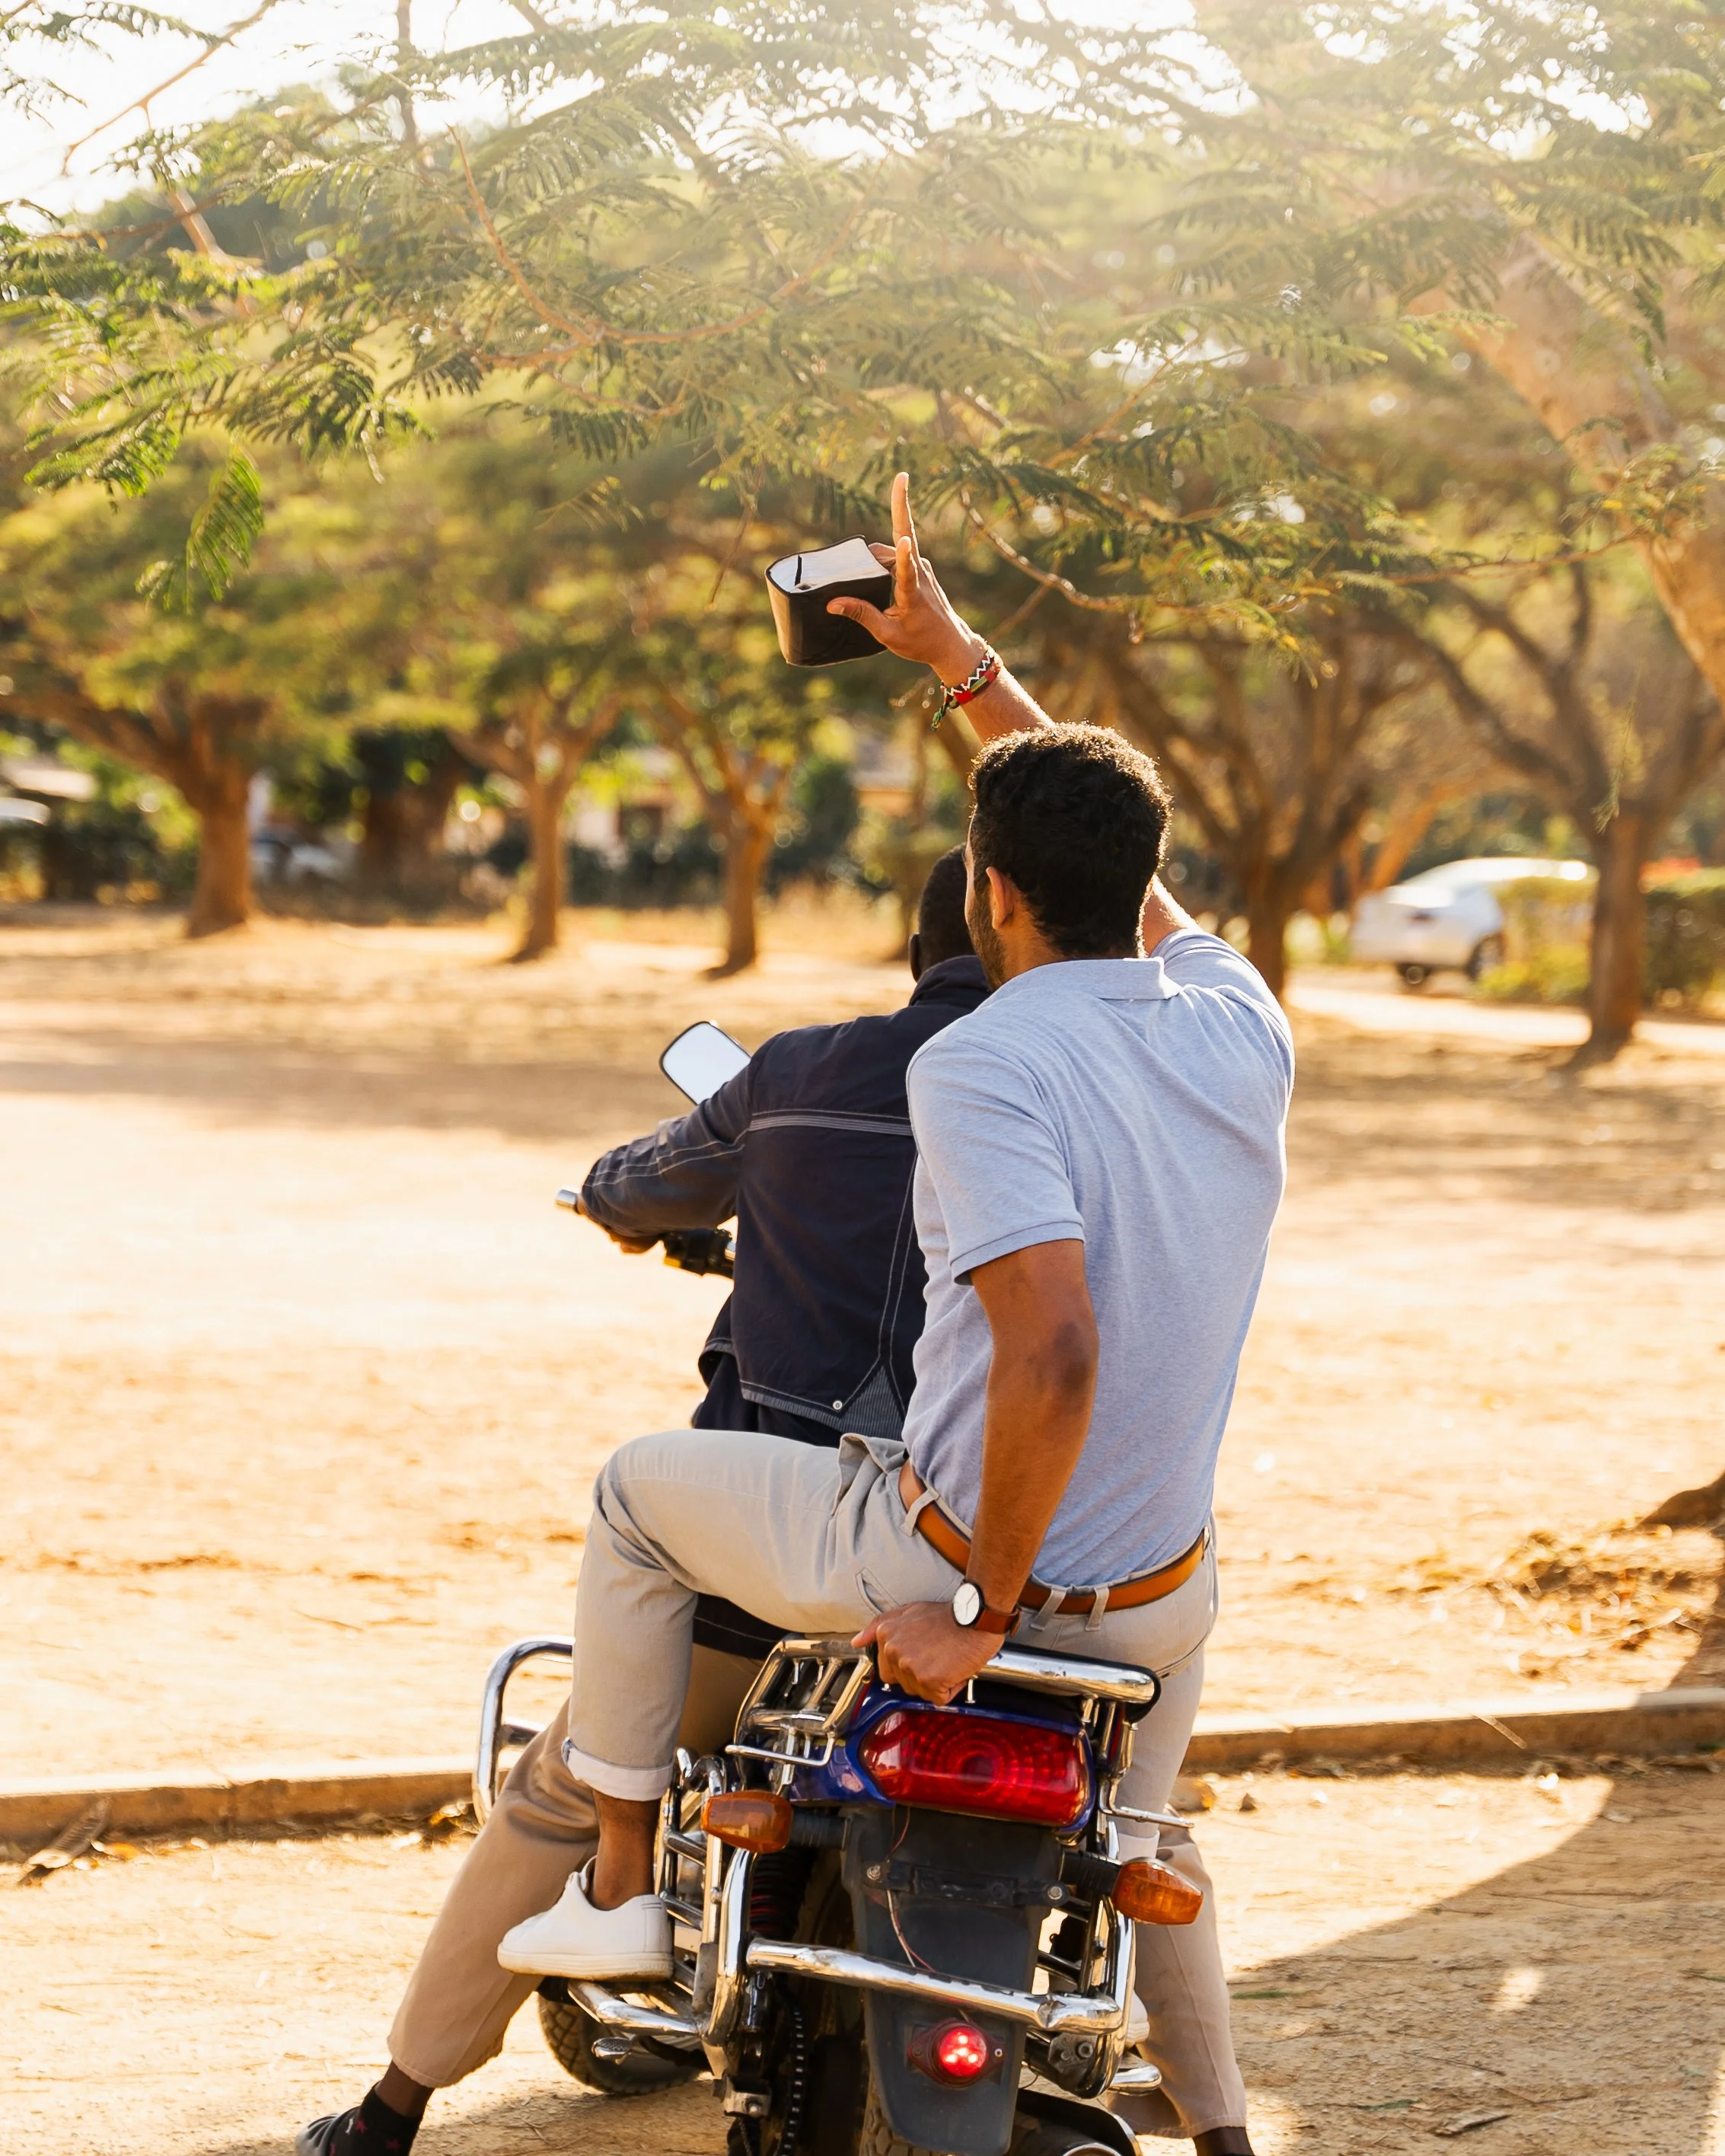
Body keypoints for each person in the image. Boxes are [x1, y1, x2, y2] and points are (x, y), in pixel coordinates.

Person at [299, 478, 1293, 2156]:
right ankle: (1219, 2140)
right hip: (1155, 1599)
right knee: (1147, 1839)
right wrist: (956, 656)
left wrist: (977, 1600)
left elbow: (1047, 1345)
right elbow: (1103, 863)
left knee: (631, 1497)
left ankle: (616, 1882)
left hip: (942, 1569)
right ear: (1147, 890)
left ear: (984, 894)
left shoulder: (979, 1059)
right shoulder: (1238, 1022)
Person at [579, 847, 988, 1657]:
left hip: (831, 1520)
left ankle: (596, 1790)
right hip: (1049, 1548)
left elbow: (640, 1181)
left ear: (914, 959)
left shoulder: (798, 1072)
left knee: (629, 1502)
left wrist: (606, 1201)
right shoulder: (1097, 1101)